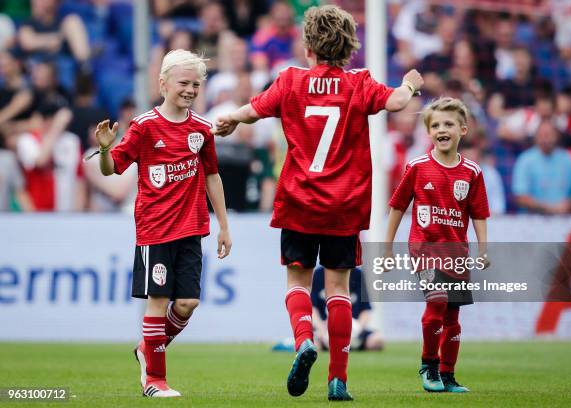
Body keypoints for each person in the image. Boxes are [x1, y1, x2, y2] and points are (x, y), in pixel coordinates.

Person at [213, 5, 423, 401]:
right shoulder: (359, 82)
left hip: (299, 201)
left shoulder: (290, 80)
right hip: (344, 205)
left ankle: (305, 339)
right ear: (348, 47)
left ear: (308, 45)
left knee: (297, 280)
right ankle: (338, 379)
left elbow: (255, 109)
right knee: (339, 287)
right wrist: (410, 84)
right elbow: (396, 102)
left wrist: (232, 119)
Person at [94, 49, 231, 398]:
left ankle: (146, 349)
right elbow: (113, 169)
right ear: (163, 82)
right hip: (155, 230)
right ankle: (155, 381)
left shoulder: (202, 129)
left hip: (193, 229)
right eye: (184, 82)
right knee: (157, 300)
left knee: (186, 304)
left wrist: (224, 226)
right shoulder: (144, 126)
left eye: (196, 84)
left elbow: (213, 177)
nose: (190, 90)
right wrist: (107, 150)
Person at [385, 97, 490, 393]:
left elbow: (479, 212)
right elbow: (396, 206)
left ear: (463, 130)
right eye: (435, 125)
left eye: (448, 124)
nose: (442, 130)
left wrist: (483, 249)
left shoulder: (472, 172)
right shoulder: (417, 167)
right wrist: (387, 246)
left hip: (456, 252)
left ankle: (448, 374)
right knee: (437, 301)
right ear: (428, 132)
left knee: (453, 316)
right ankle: (428, 365)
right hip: (424, 249)